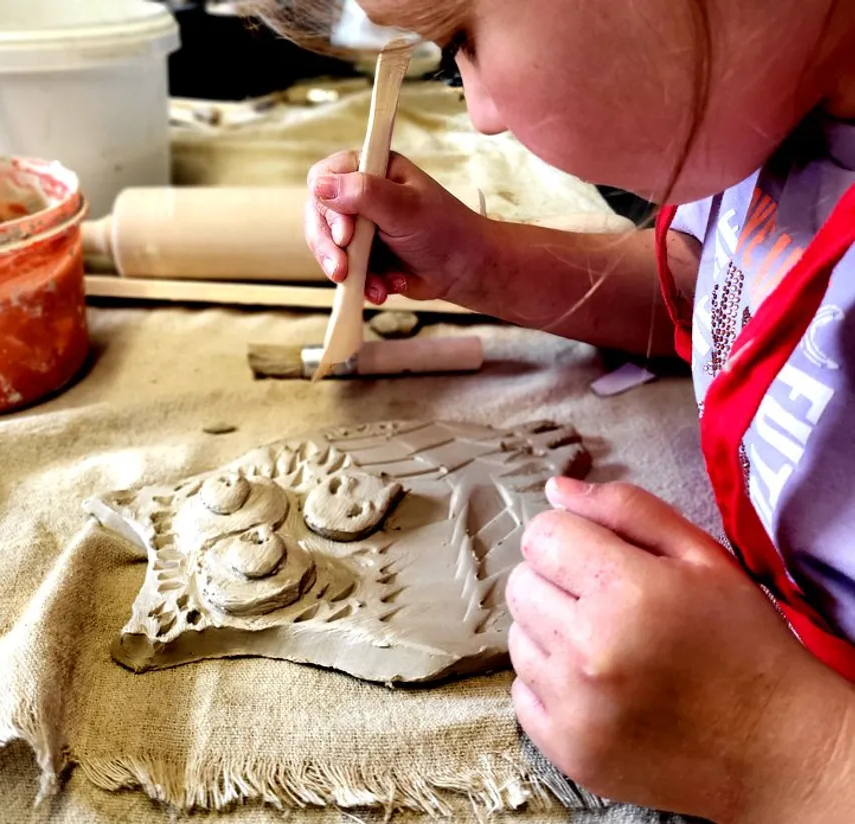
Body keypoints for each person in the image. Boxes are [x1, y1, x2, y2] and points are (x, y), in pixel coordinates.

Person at [249, 1, 855, 820]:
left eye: (460, 41)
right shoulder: (782, 118)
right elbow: (715, 289)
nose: (483, 117)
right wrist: (482, 262)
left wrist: (786, 746)